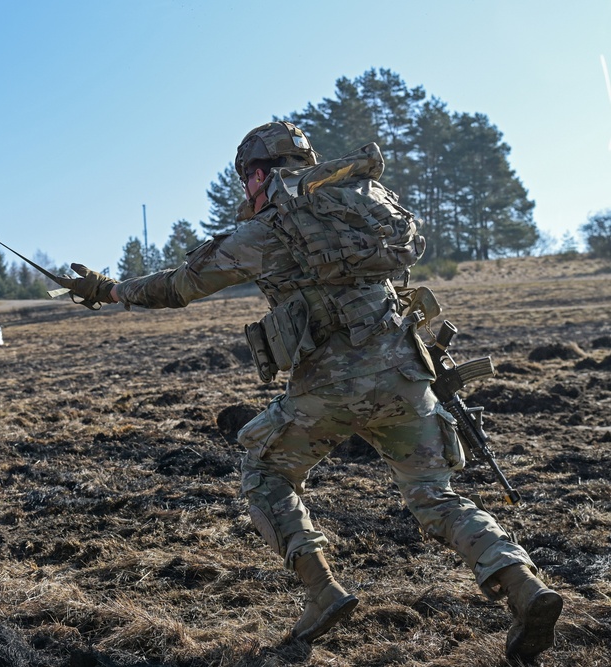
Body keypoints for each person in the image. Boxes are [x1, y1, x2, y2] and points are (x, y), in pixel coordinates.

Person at [56, 121, 563, 661]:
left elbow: (180, 285)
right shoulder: (364, 203)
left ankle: (323, 592)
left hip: (326, 388)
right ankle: (523, 587)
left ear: (256, 173)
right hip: (404, 376)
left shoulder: (264, 230)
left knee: (265, 472)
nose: (245, 191)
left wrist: (109, 289)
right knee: (435, 496)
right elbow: (410, 248)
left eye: (245, 180)